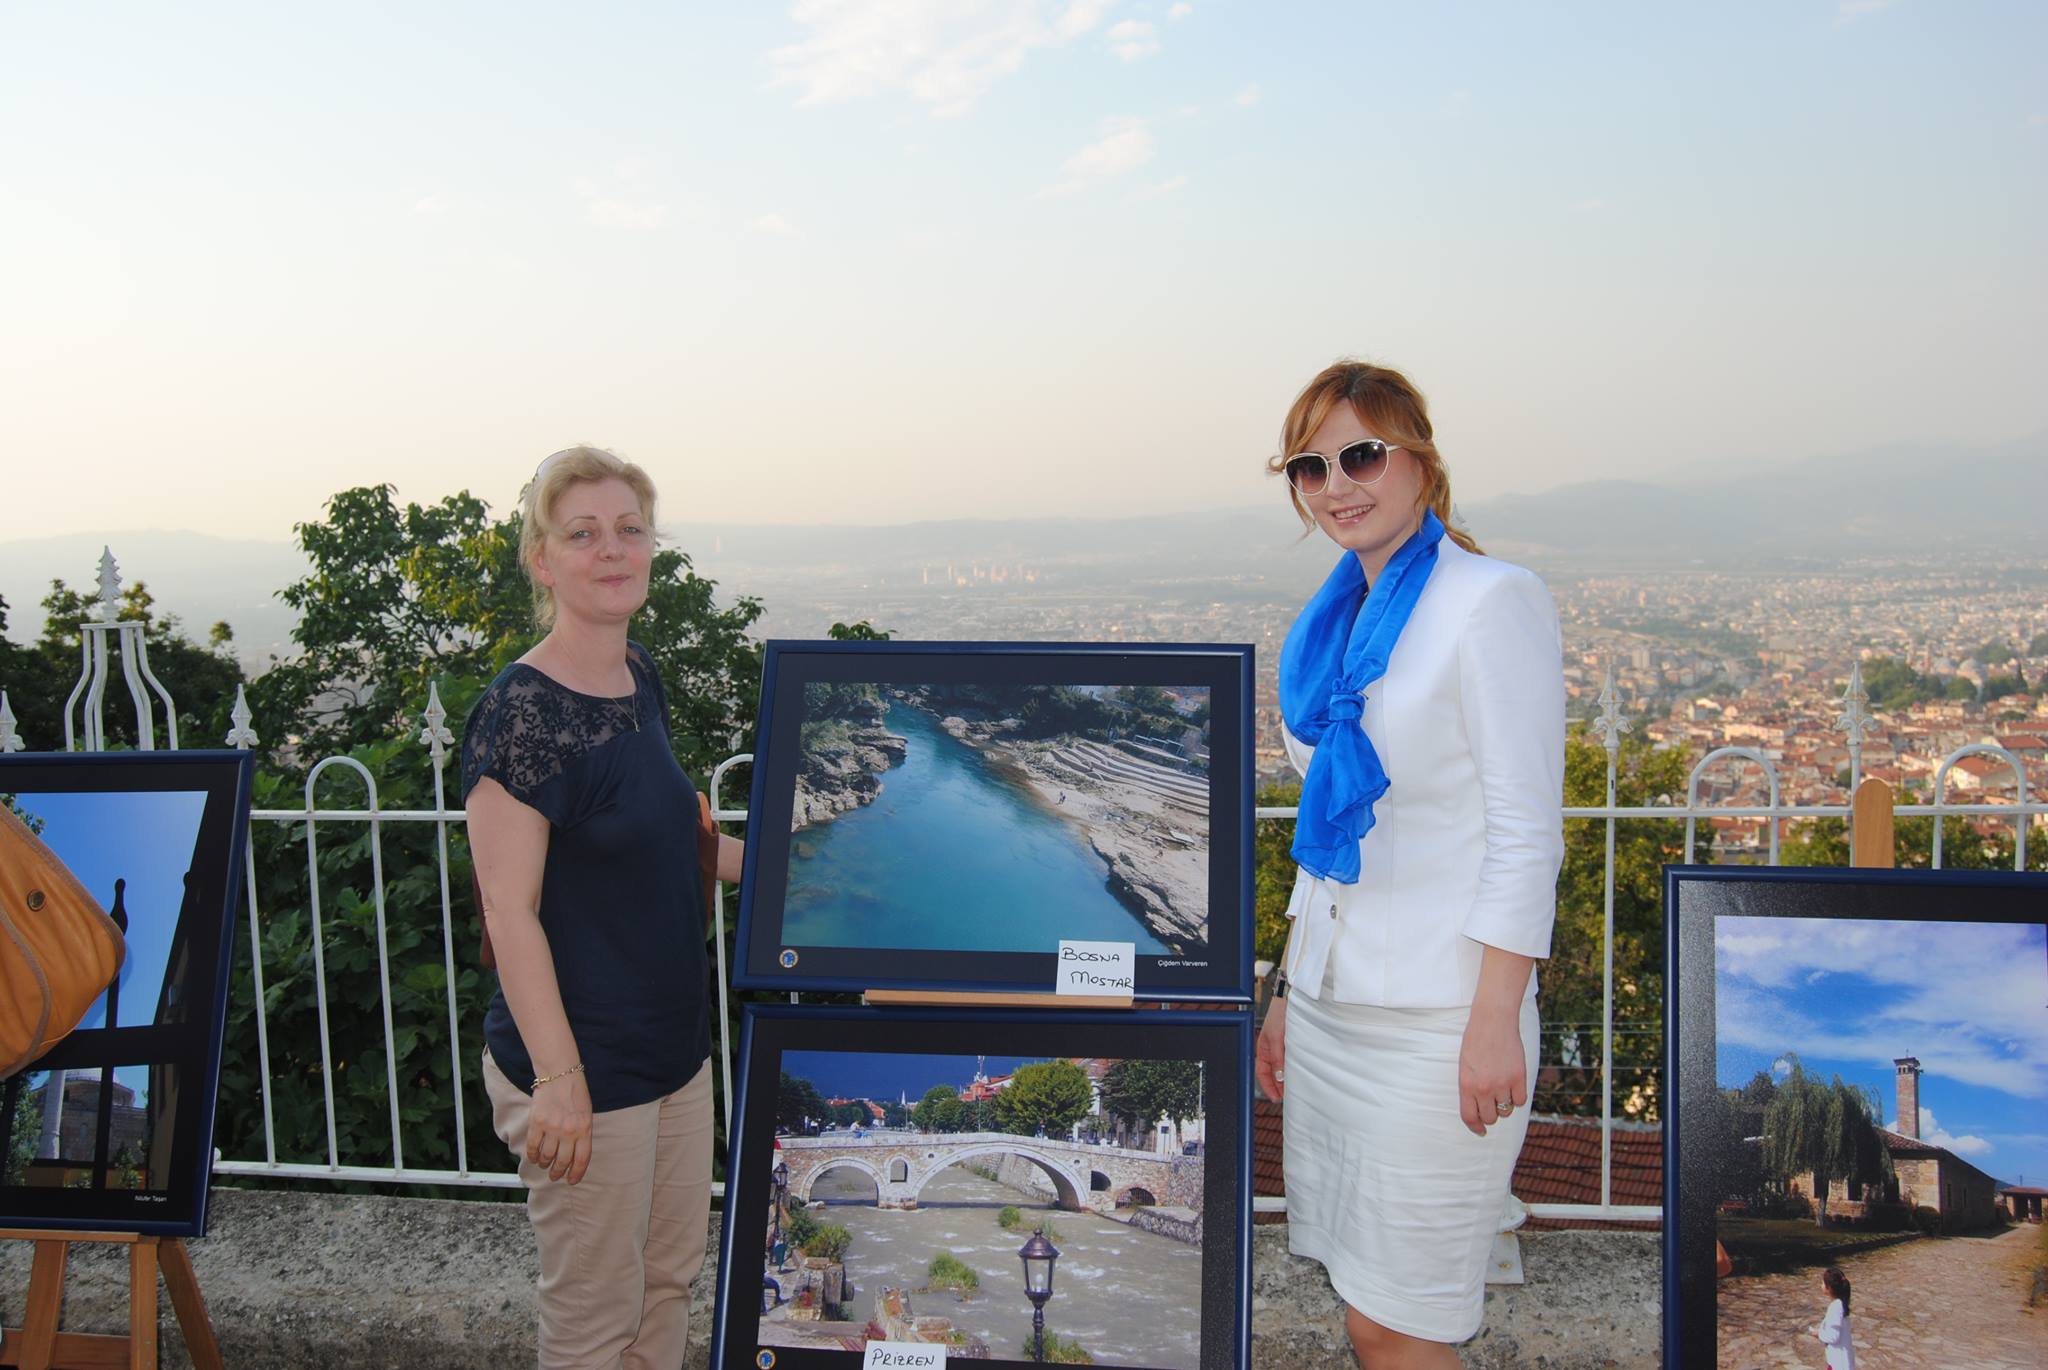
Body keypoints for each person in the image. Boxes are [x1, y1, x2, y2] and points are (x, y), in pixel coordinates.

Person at [1254, 361, 1564, 1369]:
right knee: (1362, 1306)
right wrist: (1286, 991)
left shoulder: (1491, 600)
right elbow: (1331, 837)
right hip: (1333, 1012)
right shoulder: (1331, 624)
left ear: (1420, 462)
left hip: (1440, 1022)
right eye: (1310, 467)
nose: (1336, 484)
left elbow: (1525, 832)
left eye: (1361, 454)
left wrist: (1493, 1020)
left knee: (1401, 1321)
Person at [462, 445, 743, 1369]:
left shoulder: (637, 676)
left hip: (671, 1056)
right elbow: (508, 911)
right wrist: (559, 1081)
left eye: (629, 528)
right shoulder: (523, 712)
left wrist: (814, 871)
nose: (613, 549)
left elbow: (673, 846)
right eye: (583, 534)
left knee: (666, 1287)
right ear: (543, 561)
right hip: (585, 1071)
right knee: (594, 1321)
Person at [1812, 1267, 1856, 1369]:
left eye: (1823, 1283)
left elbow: (1833, 1336)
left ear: (1829, 1288)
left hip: (1839, 1362)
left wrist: (1819, 1334)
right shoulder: (1840, 1304)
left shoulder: (1835, 1308)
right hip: (1841, 1360)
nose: (1821, 1285)